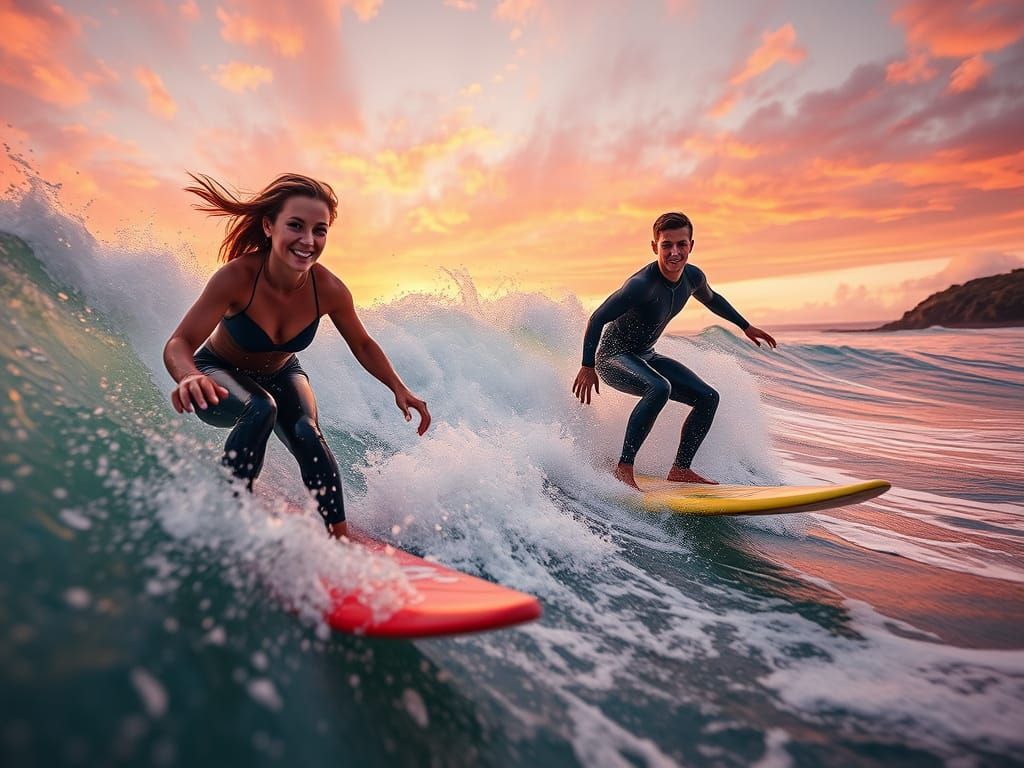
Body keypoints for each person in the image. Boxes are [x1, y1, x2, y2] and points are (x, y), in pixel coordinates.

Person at [163, 172, 430, 538]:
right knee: (260, 407)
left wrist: (399, 388)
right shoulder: (237, 278)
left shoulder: (330, 289)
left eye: (320, 230)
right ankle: (233, 517)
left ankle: (338, 534)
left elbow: (363, 344)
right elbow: (180, 342)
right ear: (269, 226)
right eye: (296, 226)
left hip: (283, 372)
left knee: (306, 430)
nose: (308, 241)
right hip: (217, 373)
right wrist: (188, 375)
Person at [572, 212, 776, 490]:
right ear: (655, 247)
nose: (674, 252)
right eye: (667, 245)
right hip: (612, 357)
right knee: (659, 387)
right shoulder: (641, 285)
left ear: (692, 245)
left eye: (681, 244)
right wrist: (587, 366)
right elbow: (597, 318)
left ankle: (680, 468)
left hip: (645, 355)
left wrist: (745, 326)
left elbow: (712, 299)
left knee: (708, 397)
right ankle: (624, 468)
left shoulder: (692, 277)